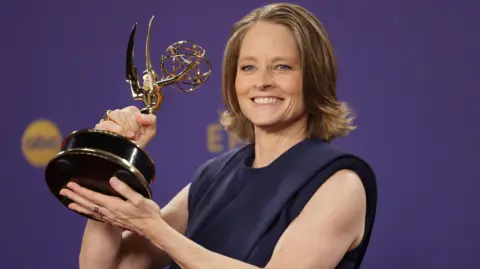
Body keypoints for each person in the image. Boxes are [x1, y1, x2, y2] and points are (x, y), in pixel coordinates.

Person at [59, 2, 377, 269]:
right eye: (248, 68)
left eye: (282, 67)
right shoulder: (213, 177)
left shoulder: (340, 184)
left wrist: (155, 228)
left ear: (314, 78)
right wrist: (115, 165)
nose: (262, 82)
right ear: (233, 80)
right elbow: (108, 267)